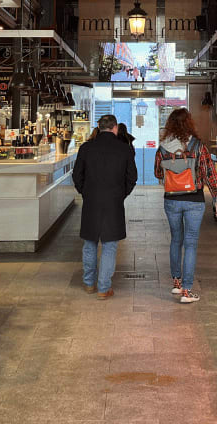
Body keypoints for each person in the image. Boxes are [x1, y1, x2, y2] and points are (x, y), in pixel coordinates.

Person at [154, 108, 217, 304]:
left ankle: (176, 283)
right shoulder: (198, 146)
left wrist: (173, 174)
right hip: (194, 199)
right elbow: (210, 172)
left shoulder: (163, 148)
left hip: (172, 199)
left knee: (176, 239)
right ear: (189, 123)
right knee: (191, 243)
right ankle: (187, 290)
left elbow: (158, 173)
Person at [72, 114, 137, 299]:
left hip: (91, 201)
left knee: (89, 243)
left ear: (99, 127)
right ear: (115, 128)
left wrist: (86, 192)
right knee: (109, 245)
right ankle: (103, 288)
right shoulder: (124, 149)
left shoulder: (86, 148)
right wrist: (120, 194)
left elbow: (77, 175)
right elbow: (132, 177)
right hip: (113, 202)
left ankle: (88, 283)